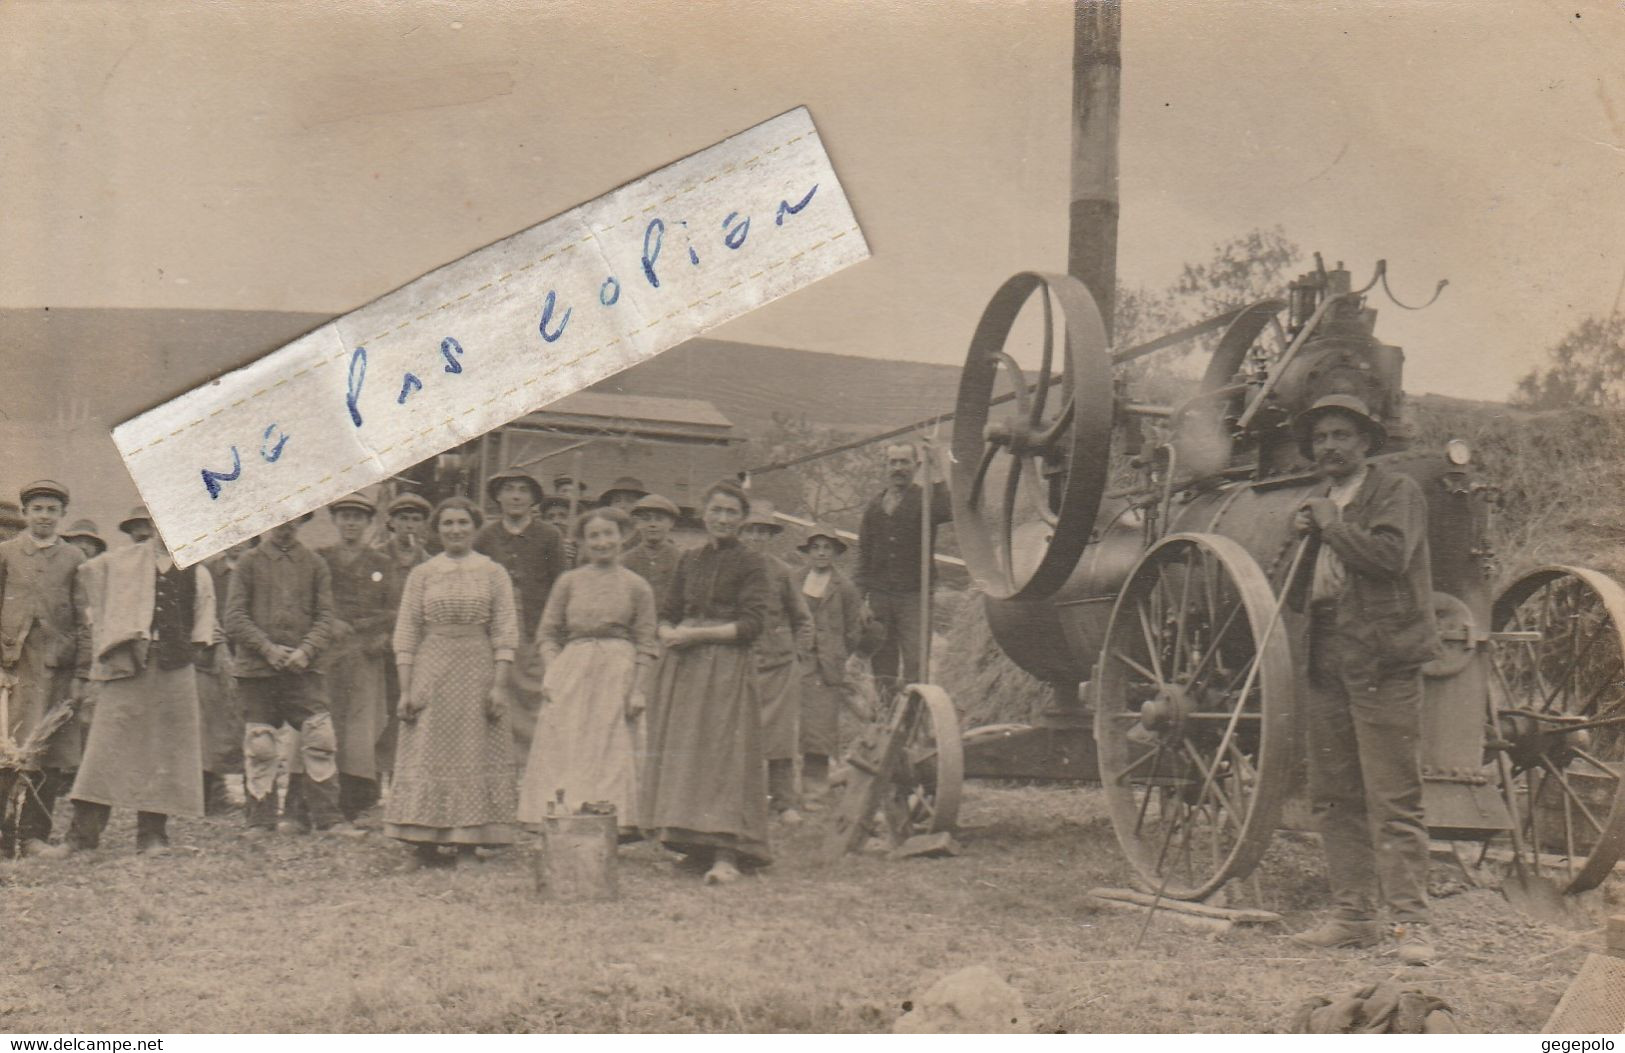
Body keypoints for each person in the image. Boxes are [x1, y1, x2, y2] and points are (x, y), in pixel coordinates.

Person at [1285, 394, 1440, 967]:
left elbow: (1389, 557)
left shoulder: (1395, 492)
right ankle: (1353, 917)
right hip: (1325, 654)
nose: (1329, 446)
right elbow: (1305, 586)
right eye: (1321, 437)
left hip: (1382, 659)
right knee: (1333, 794)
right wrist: (1303, 532)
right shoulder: (1320, 502)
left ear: (1366, 443)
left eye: (1341, 436)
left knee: (1393, 797)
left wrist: (1330, 526)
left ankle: (1411, 928)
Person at [41, 527, 212, 857]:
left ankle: (153, 836)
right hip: (128, 661)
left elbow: (204, 620)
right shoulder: (123, 561)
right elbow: (85, 574)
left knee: (164, 751)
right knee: (105, 748)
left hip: (175, 666)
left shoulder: (198, 569)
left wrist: (187, 650)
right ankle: (82, 839)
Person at [642, 480, 772, 884]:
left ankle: (726, 853)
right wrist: (665, 632)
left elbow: (751, 625)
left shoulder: (752, 563)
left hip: (726, 668)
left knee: (723, 757)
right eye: (716, 510)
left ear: (742, 519)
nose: (722, 518)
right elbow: (668, 610)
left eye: (732, 512)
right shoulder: (690, 560)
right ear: (703, 513)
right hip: (685, 667)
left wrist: (694, 635)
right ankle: (692, 846)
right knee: (689, 757)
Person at [387, 496, 520, 867]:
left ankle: (466, 844)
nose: (455, 530)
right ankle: (422, 843)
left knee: (472, 749)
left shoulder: (493, 573)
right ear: (438, 529)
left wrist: (499, 685)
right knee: (426, 746)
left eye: (463, 522)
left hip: (477, 668)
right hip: (433, 666)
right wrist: (406, 688)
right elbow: (407, 632)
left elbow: (506, 631)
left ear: (475, 527)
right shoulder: (423, 573)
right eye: (448, 523)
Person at [518, 507, 656, 839]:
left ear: (623, 537)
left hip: (617, 668)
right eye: (593, 535)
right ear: (582, 542)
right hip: (573, 669)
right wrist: (554, 671)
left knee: (611, 745)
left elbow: (647, 641)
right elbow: (548, 633)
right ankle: (563, 815)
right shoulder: (568, 582)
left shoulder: (637, 586)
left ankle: (616, 822)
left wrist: (638, 688)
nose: (602, 542)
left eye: (609, 533)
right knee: (568, 742)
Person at [225, 512, 356, 837]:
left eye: (293, 516)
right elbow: (234, 616)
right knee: (261, 745)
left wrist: (305, 650)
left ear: (302, 520)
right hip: (257, 670)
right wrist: (267, 648)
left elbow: (326, 616)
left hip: (303, 668)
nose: (285, 523)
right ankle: (260, 820)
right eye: (278, 515)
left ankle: (329, 819)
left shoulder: (314, 564)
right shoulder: (248, 563)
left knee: (320, 738)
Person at [0, 480, 88, 858]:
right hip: (13, 667)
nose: (44, 517)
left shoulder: (75, 559)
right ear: (25, 514)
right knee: (7, 747)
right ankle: (4, 836)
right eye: (37, 509)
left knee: (48, 749)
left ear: (62, 515)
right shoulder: (6, 553)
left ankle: (35, 834)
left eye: (52, 510)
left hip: (56, 669)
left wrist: (82, 670)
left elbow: (86, 620)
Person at [473, 466, 567, 759]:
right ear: (498, 496)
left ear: (533, 498)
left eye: (523, 490)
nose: (515, 496)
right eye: (509, 489)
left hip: (534, 630)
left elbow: (560, 586)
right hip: (495, 633)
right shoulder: (486, 536)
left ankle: (531, 765)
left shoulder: (549, 536)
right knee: (497, 696)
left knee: (532, 697)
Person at [316, 492, 395, 821]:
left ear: (369, 522)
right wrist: (329, 621)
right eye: (344, 515)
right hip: (328, 652)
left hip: (365, 653)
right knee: (325, 720)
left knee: (361, 726)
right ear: (335, 520)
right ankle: (318, 796)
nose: (350, 522)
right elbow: (311, 600)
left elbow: (393, 608)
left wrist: (378, 633)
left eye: (358, 517)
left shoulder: (382, 563)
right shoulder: (321, 559)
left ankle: (358, 800)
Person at [855, 442, 950, 699]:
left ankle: (913, 720)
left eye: (904, 462)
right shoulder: (874, 506)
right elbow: (864, 554)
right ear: (885, 466)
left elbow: (947, 510)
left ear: (916, 466)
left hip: (914, 596)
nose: (898, 468)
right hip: (879, 598)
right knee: (882, 664)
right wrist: (860, 600)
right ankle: (887, 719)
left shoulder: (925, 500)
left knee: (915, 663)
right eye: (893, 462)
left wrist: (937, 466)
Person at [738, 502, 813, 822]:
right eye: (751, 531)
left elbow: (803, 620)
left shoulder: (783, 571)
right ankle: (744, 800)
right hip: (739, 663)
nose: (757, 537)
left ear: (771, 536)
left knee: (780, 736)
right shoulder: (730, 567)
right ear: (742, 534)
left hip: (779, 664)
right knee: (739, 734)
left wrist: (797, 656)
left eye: (763, 532)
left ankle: (784, 802)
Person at [793, 526, 864, 808]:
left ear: (835, 553)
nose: (821, 553)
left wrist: (835, 654)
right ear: (808, 552)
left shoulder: (844, 588)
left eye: (827, 548)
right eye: (816, 547)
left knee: (819, 729)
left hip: (826, 668)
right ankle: (782, 792)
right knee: (788, 725)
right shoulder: (794, 580)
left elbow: (853, 629)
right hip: (796, 662)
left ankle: (815, 793)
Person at [378, 491, 432, 784]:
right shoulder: (377, 557)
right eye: (403, 519)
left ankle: (406, 778)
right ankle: (376, 778)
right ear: (392, 523)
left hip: (418, 651)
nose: (409, 526)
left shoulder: (430, 563)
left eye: (416, 520)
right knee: (382, 713)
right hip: (382, 649)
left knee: (414, 709)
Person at [198, 538, 252, 814]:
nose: (237, 544)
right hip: (214, 657)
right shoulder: (207, 571)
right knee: (212, 726)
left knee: (251, 723)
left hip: (250, 655)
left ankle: (254, 796)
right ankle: (212, 795)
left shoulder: (257, 568)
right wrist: (209, 631)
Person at [624, 493, 682, 612]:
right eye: (646, 519)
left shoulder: (681, 559)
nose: (652, 524)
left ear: (671, 523)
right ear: (637, 523)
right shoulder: (625, 561)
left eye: (659, 519)